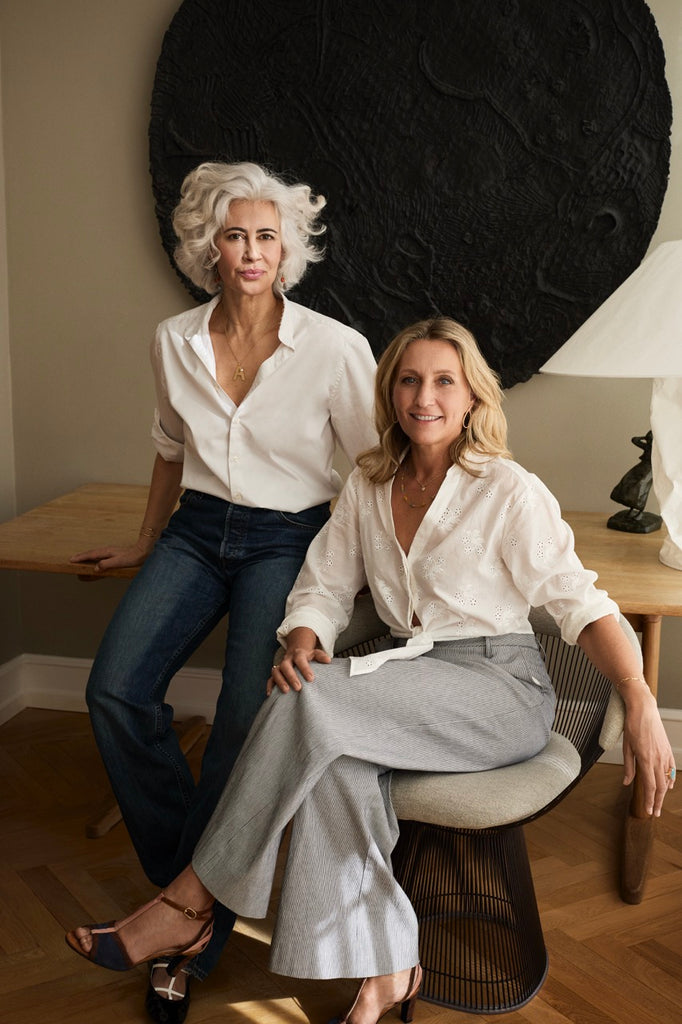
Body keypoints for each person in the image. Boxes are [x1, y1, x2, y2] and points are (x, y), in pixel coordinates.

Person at [67, 317, 675, 1024]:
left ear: (472, 397)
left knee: (303, 701)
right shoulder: (370, 483)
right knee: (335, 768)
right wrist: (303, 636)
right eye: (409, 380)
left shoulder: (508, 489)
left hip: (501, 691)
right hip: (411, 682)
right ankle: (386, 974)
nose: (425, 397)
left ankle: (190, 901)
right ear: (389, 394)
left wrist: (638, 697)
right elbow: (324, 586)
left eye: (444, 381)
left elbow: (582, 605)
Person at [69, 161, 377, 1022]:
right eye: (235, 235)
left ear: (288, 251)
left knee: (245, 718)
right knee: (114, 689)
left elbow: (371, 474)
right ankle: (193, 891)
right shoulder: (174, 339)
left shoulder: (334, 347)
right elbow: (170, 448)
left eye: (266, 237)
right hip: (197, 531)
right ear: (210, 245)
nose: (250, 251)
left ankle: (183, 929)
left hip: (289, 537)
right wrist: (145, 540)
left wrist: (364, 575)